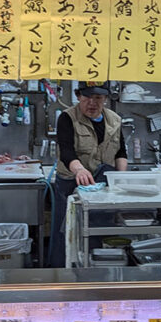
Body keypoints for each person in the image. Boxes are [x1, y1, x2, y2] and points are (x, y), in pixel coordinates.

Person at [51, 81, 128, 267]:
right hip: (71, 184)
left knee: (98, 232)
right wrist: (79, 169)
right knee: (67, 233)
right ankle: (62, 276)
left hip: (102, 187)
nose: (92, 103)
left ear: (106, 99)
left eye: (98, 98)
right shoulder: (67, 117)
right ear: (78, 96)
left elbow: (121, 152)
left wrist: (122, 178)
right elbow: (67, 151)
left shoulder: (115, 120)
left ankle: (96, 272)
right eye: (87, 97)